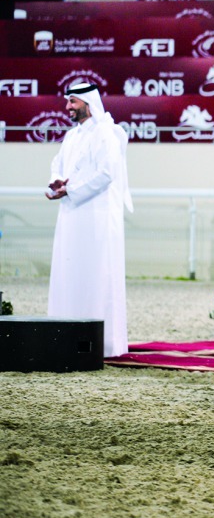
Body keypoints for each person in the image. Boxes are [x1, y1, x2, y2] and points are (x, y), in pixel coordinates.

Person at [45, 83, 133, 357]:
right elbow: (57, 166)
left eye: (73, 102)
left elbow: (107, 173)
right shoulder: (72, 136)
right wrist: (54, 185)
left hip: (97, 218)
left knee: (98, 276)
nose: (68, 107)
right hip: (71, 216)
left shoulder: (106, 134)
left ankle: (103, 345)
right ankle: (64, 337)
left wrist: (71, 189)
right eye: (68, 101)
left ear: (87, 103)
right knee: (68, 274)